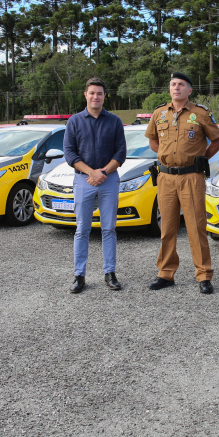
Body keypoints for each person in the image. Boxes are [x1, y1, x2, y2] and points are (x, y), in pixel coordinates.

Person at [144, 72, 219, 294]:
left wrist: (202, 158)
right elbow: (152, 139)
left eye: (181, 85)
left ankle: (204, 275)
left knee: (196, 227)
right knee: (167, 227)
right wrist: (165, 154)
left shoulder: (200, 113)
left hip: (192, 177)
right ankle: (165, 273)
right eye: (173, 84)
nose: (176, 88)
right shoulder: (159, 113)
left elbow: (218, 140)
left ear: (189, 90)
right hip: (166, 177)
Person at [63, 77, 127, 294]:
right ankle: (79, 276)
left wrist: (103, 173)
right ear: (85, 95)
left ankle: (110, 273)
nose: (95, 97)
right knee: (82, 229)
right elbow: (69, 153)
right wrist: (91, 173)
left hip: (109, 180)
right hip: (84, 180)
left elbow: (121, 153)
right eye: (92, 93)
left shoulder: (114, 121)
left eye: (99, 93)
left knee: (109, 228)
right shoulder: (74, 121)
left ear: (104, 96)